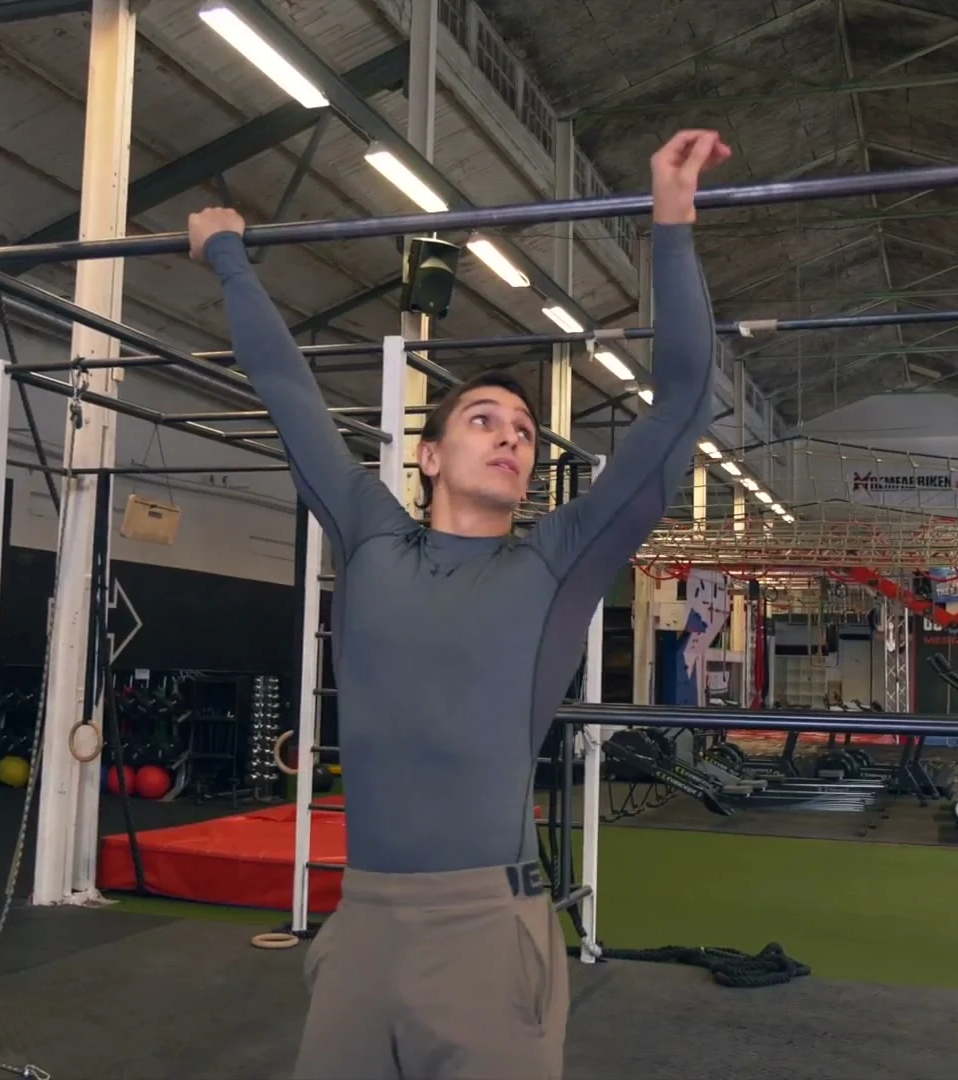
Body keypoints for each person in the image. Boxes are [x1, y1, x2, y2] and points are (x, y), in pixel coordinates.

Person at [187, 128, 732, 1080]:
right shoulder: (369, 536)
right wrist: (228, 254)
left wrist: (672, 221)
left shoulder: (555, 562)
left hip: (487, 934)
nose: (512, 436)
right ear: (429, 456)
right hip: (361, 929)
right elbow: (287, 390)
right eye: (485, 420)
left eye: (524, 431)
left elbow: (683, 397)